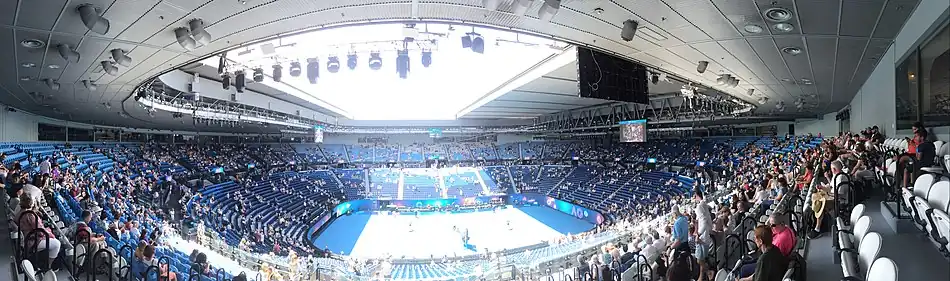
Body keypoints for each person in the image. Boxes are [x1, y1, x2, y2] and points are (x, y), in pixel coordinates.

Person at [16, 194, 62, 266]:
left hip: (28, 238)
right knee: (57, 244)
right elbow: (41, 232)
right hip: (32, 241)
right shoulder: (30, 215)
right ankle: (48, 266)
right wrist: (50, 233)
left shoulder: (20, 212)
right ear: (31, 202)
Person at [691, 188, 714, 281]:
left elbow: (704, 222)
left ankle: (709, 272)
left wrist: (698, 234)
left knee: (699, 259)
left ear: (696, 195)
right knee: (702, 258)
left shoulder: (699, 207)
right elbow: (707, 220)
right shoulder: (704, 204)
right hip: (706, 234)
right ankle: (702, 276)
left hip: (703, 237)